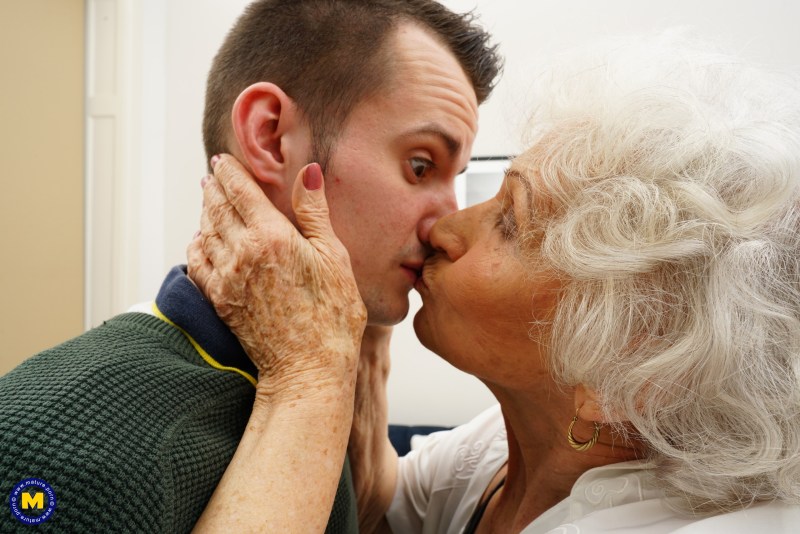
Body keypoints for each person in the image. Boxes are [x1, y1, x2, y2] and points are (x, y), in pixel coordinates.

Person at [190, 31, 800, 533]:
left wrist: (309, 372)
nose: (446, 228)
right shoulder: (505, 446)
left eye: (510, 221)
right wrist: (357, 310)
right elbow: (381, 504)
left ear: (634, 355)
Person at [0, 1, 501, 532]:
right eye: (420, 165)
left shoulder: (317, 393)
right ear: (268, 135)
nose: (447, 224)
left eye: (456, 178)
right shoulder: (57, 438)